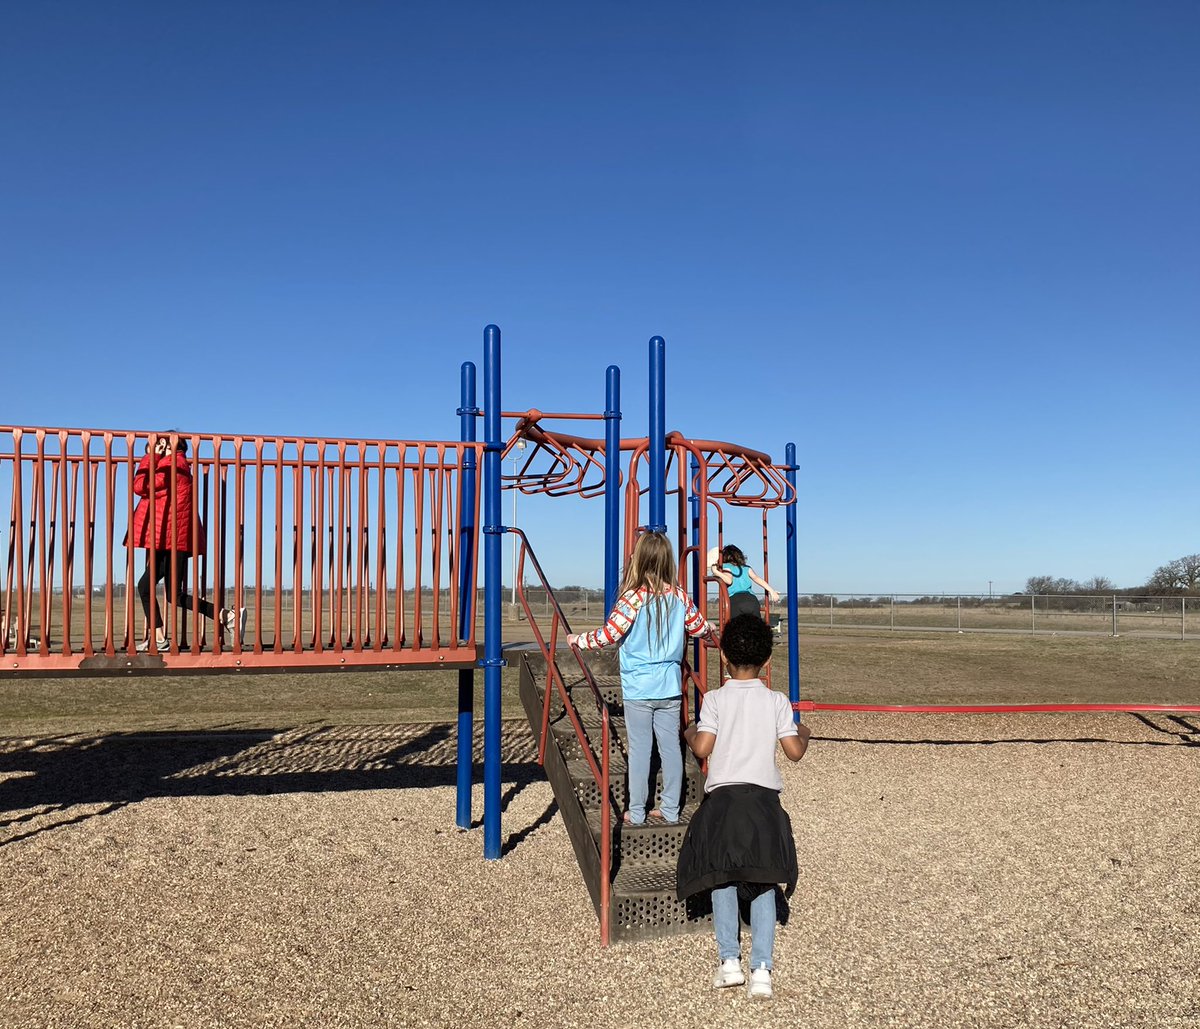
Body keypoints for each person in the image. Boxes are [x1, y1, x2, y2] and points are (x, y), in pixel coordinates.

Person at [676, 614, 810, 1000]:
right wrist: (803, 731)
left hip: (724, 801)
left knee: (723, 878)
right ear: (767, 661)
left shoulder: (715, 699)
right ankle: (762, 970)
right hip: (764, 802)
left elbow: (702, 748)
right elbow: (794, 752)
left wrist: (688, 731)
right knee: (765, 881)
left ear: (724, 660)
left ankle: (729, 962)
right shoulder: (777, 701)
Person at [567, 532, 717, 825]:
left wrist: (577, 640)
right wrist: (710, 628)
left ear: (640, 559)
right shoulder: (678, 595)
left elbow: (609, 634)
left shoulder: (632, 598)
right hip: (670, 686)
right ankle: (671, 809)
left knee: (640, 750)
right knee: (671, 748)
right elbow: (698, 627)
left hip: (638, 687)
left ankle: (637, 812)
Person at [126, 433, 245, 651]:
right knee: (171, 594)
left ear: (172, 446)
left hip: (171, 540)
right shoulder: (174, 464)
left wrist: (150, 456)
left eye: (160, 443)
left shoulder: (173, 466)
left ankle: (163, 637)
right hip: (169, 539)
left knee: (151, 588)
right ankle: (226, 617)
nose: (157, 447)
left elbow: (140, 486)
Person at [708, 544, 781, 620]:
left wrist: (716, 572)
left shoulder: (726, 566)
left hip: (736, 600)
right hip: (752, 600)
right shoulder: (746, 568)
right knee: (755, 627)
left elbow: (729, 580)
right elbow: (757, 578)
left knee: (737, 628)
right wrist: (771, 591)